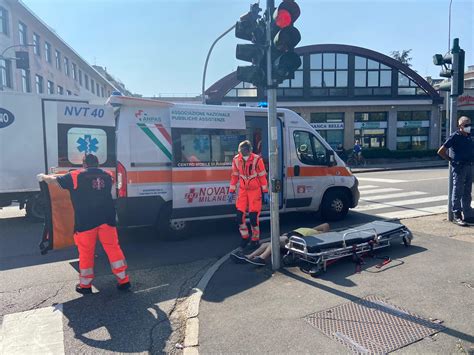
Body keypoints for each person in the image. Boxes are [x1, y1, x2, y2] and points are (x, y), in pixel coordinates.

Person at [37, 154, 131, 294]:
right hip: (107, 219)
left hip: (86, 221)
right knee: (113, 249)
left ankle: (85, 285)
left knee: (86, 252)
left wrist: (43, 176)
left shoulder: (75, 176)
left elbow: (54, 181)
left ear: (84, 164)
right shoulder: (108, 175)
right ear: (98, 164)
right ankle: (124, 281)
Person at [228, 140, 269, 251]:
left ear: (249, 150)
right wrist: (231, 191)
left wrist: (265, 191)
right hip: (243, 191)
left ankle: (255, 239)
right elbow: (234, 176)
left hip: (254, 191)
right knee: (239, 217)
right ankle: (245, 237)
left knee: (253, 218)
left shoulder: (257, 160)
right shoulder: (236, 160)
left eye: (245, 150)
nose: (243, 152)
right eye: (241, 151)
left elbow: (262, 177)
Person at [231, 223, 330, 266]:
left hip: (298, 239)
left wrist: (319, 232)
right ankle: (249, 257)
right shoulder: (313, 231)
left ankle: (262, 258)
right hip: (293, 235)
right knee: (266, 244)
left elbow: (326, 225)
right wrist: (313, 229)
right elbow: (322, 226)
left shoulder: (320, 236)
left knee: (275, 241)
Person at [437, 116, 474, 226]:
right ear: (460, 126)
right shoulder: (455, 136)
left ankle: (468, 214)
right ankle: (457, 215)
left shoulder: (470, 136)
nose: (469, 127)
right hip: (459, 167)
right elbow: (441, 151)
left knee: (467, 191)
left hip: (470, 166)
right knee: (458, 191)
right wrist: (451, 160)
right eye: (466, 125)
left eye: (470, 124)